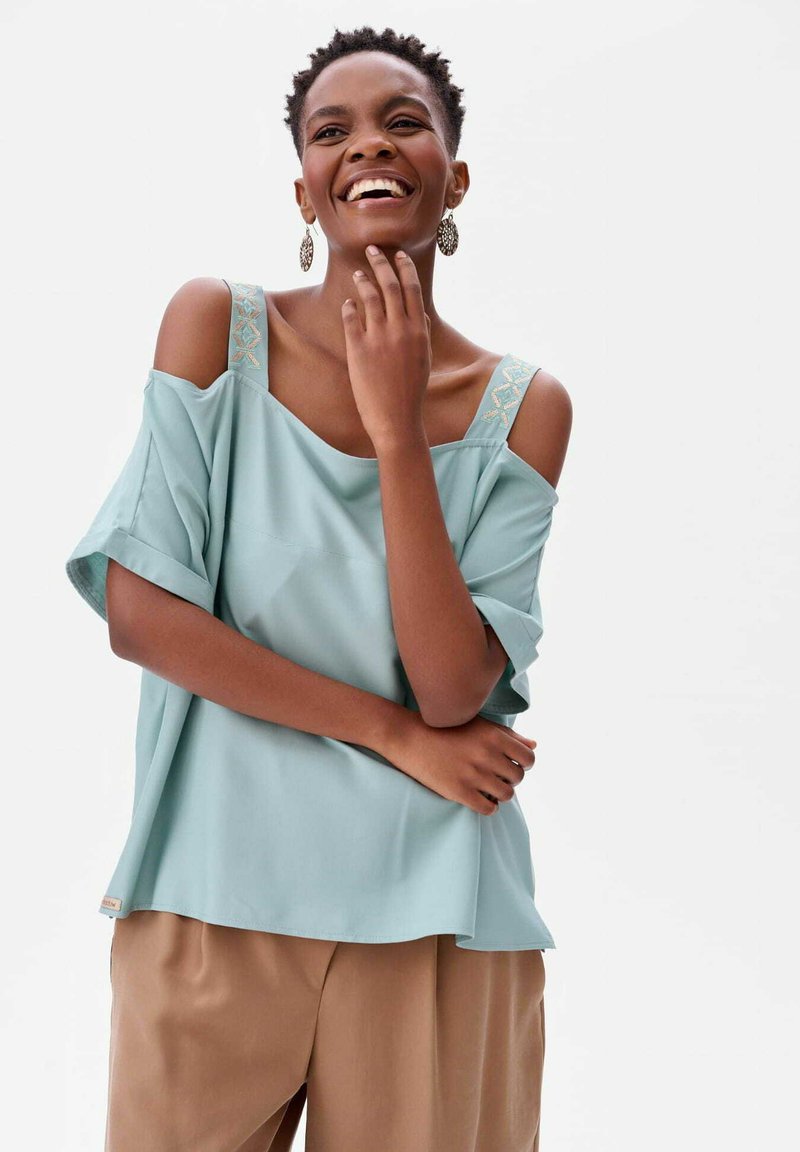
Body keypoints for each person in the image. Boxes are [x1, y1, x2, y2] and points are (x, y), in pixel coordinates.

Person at [65, 24, 572, 1152]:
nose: (367, 146)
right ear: (304, 188)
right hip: (212, 894)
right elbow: (142, 617)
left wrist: (397, 429)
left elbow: (454, 689)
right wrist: (392, 737)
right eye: (330, 131)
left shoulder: (523, 408)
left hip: (437, 912)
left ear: (454, 177)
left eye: (404, 122)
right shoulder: (214, 328)